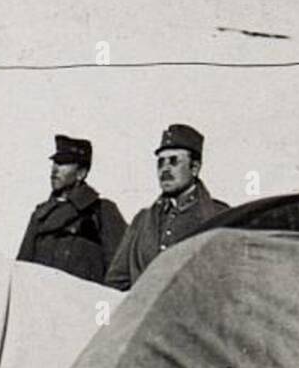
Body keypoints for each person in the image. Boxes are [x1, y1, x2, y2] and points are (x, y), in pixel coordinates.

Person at [104, 123, 229, 291]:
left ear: (195, 168)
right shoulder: (142, 220)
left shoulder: (219, 216)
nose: (165, 169)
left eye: (174, 161)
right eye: (161, 163)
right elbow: (116, 282)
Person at [16, 135, 127, 284]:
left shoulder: (102, 212)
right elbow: (22, 271)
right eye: (54, 163)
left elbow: (119, 273)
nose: (55, 169)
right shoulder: (40, 215)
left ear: (81, 173)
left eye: (63, 163)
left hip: (83, 303)